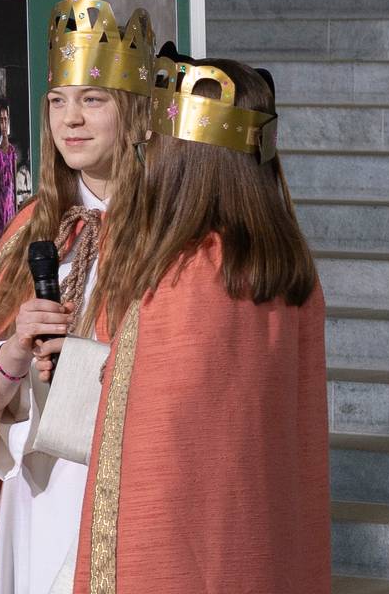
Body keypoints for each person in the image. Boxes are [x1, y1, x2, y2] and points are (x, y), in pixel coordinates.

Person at [74, 54, 327, 590]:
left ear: (183, 162)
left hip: (174, 553)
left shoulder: (181, 278)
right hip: (257, 536)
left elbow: (147, 455)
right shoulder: (284, 266)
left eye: (157, 145)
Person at [0, 0, 153, 594]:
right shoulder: (32, 228)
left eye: (93, 100)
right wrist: (12, 354)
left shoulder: (167, 233)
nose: (70, 120)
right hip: (36, 491)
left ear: (134, 111)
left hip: (122, 486)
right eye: (58, 101)